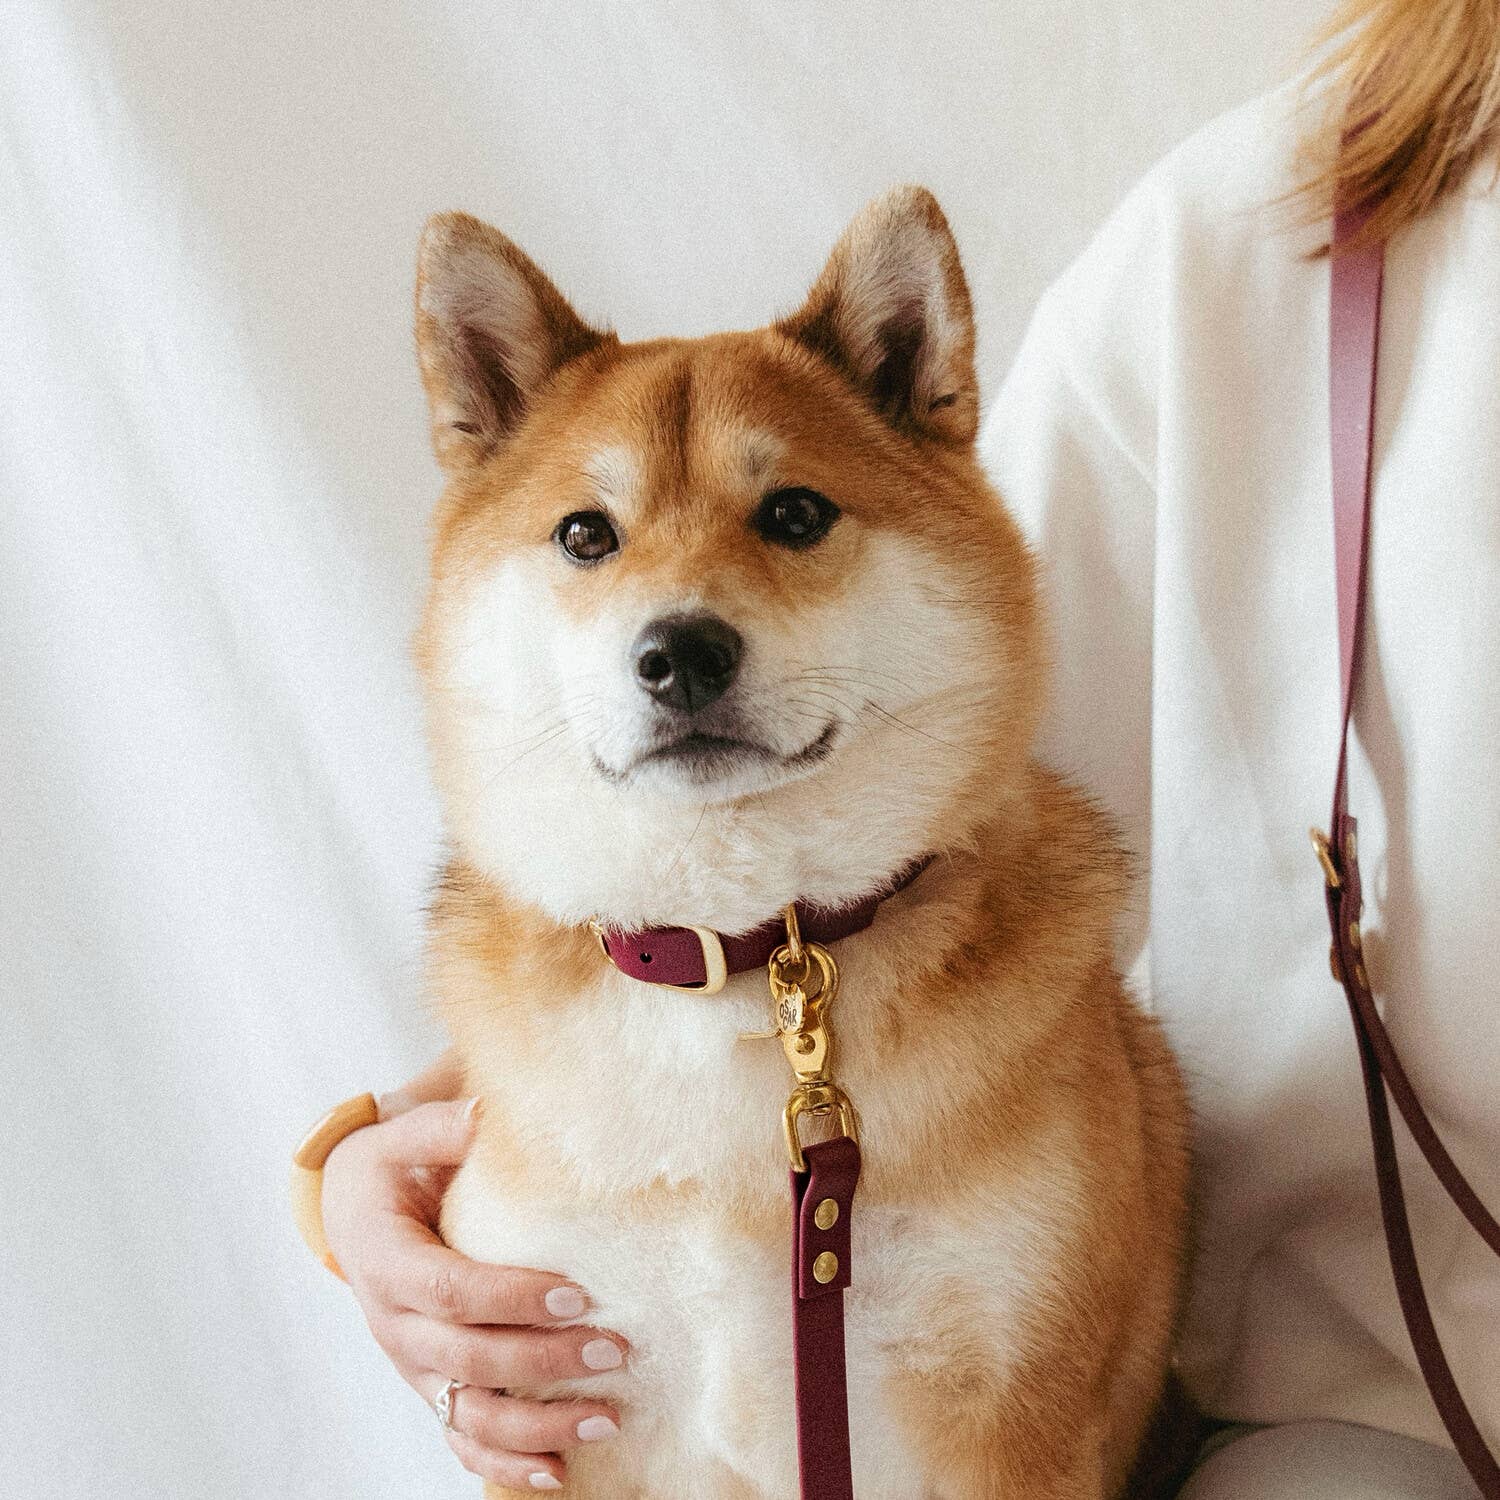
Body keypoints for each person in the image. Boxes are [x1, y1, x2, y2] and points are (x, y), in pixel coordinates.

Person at [319, 0, 1500, 1491]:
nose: (681, 616)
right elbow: (891, 785)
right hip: (1383, 1401)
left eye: (789, 520)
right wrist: (371, 1167)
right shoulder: (1279, 233)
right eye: (590, 539)